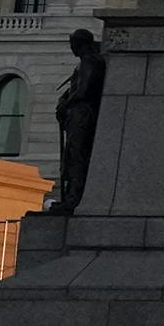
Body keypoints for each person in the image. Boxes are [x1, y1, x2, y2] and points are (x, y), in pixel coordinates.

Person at [52, 29, 106, 213]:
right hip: (80, 113)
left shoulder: (89, 62)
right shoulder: (91, 61)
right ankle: (71, 196)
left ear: (79, 44)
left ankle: (74, 198)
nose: (72, 48)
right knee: (74, 156)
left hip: (82, 114)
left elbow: (82, 91)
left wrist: (65, 104)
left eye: (73, 44)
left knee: (76, 156)